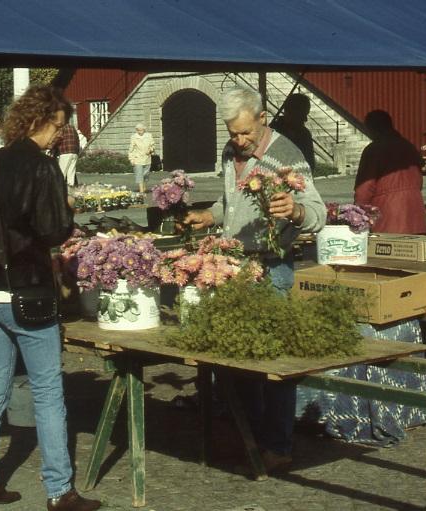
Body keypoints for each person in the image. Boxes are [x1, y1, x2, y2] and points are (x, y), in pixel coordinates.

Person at [0, 85, 101, 511]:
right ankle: (59, 490)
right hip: (29, 294)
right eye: (58, 127)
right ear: (40, 120)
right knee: (47, 392)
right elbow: (53, 231)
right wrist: (66, 208)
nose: (59, 136)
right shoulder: (42, 168)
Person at [181, 87, 327, 473]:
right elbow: (231, 202)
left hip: (272, 268)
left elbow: (318, 212)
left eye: (246, 132)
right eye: (233, 133)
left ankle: (278, 445)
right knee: (240, 358)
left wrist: (295, 211)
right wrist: (210, 216)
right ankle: (251, 437)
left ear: (262, 118)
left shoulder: (286, 155)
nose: (239, 140)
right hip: (234, 268)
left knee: (273, 360)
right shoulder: (230, 152)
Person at [354, 110, 426, 234]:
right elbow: (418, 179)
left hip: (387, 212)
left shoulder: (374, 150)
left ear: (372, 128)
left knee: (389, 245)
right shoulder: (408, 145)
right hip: (415, 209)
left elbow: (365, 186)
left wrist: (358, 211)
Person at [269, 93, 316, 170]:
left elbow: (310, 165)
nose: (306, 119)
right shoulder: (272, 133)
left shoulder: (304, 134)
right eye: (302, 115)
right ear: (289, 112)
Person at [52, 113, 80, 187]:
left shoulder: (62, 128)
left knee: (62, 173)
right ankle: (71, 189)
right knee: (71, 173)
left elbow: (58, 138)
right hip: (74, 152)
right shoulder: (72, 128)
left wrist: (51, 147)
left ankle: (59, 189)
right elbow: (77, 139)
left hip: (65, 152)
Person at [128, 122, 154, 193]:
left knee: (146, 174)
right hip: (138, 158)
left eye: (141, 130)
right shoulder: (134, 137)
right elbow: (131, 149)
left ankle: (144, 186)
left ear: (144, 129)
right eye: (138, 130)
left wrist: (150, 150)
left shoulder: (149, 136)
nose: (140, 131)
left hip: (147, 158)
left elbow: (153, 146)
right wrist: (131, 159)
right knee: (139, 174)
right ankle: (141, 190)